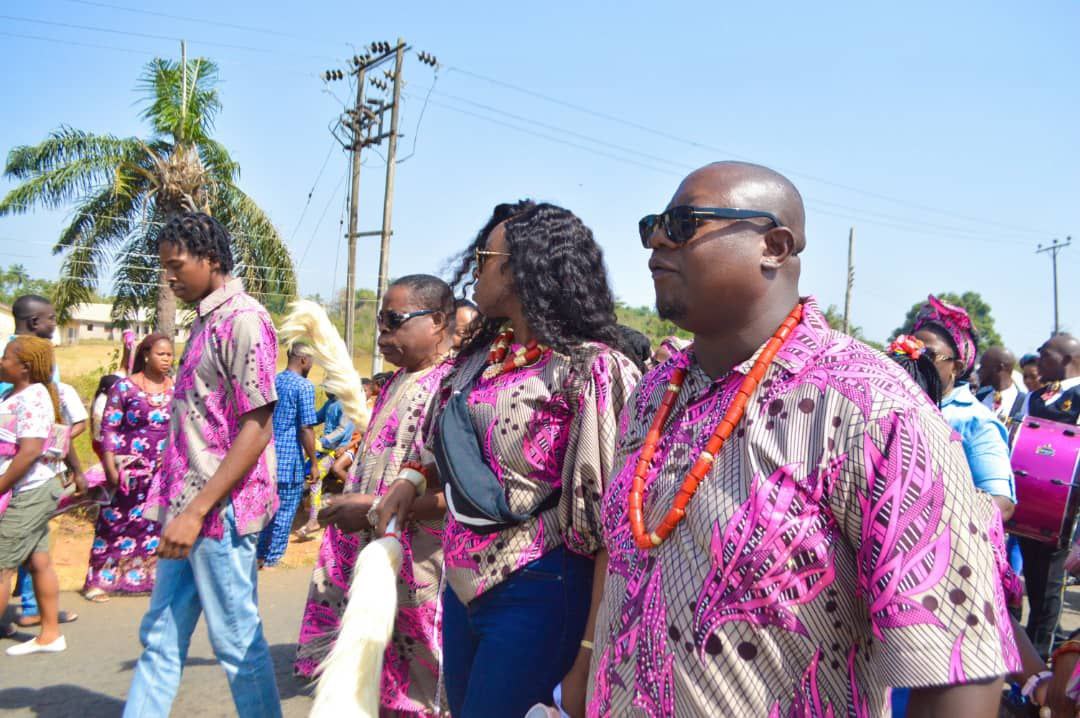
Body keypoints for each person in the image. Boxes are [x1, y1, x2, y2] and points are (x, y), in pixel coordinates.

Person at [573, 162, 1017, 717]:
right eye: (653, 225)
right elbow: (622, 557)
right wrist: (588, 660)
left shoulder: (875, 409)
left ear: (775, 247)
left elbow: (958, 660)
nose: (658, 240)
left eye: (684, 223)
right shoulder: (655, 392)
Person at [375, 201, 640, 718]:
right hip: (461, 588)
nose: (474, 266)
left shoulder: (590, 371)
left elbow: (611, 531)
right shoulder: (480, 360)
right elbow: (443, 439)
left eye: (485, 254)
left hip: (539, 591)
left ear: (523, 267)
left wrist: (588, 656)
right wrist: (411, 478)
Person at [124, 212, 281, 718]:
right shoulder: (206, 321)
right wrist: (181, 509)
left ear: (212, 259)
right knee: (161, 637)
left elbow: (257, 426)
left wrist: (198, 511)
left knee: (237, 642)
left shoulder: (244, 320)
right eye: (163, 267)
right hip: (187, 507)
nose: (168, 277)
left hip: (219, 513)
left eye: (176, 265)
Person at [295, 275, 457, 716]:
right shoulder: (393, 384)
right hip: (367, 566)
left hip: (416, 573)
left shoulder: (455, 389)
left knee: (417, 697)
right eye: (381, 322)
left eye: (394, 321)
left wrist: (370, 512)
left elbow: (458, 498)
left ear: (439, 322)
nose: (382, 334)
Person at [0, 295, 78, 632]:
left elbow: (50, 427)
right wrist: (65, 461)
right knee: (31, 554)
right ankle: (40, 619)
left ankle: (34, 613)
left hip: (26, 475)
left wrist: (66, 460)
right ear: (34, 322)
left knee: (18, 555)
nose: (54, 323)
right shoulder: (26, 358)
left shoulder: (24, 362)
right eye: (51, 318)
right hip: (24, 473)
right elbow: (53, 425)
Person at [82, 333, 174, 602]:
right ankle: (99, 581)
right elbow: (108, 428)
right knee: (114, 525)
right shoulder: (124, 388)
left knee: (154, 526)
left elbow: (182, 426)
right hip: (127, 471)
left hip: (161, 472)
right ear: (146, 355)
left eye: (170, 354)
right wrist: (109, 466)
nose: (167, 359)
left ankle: (148, 579)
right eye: (161, 354)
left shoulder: (175, 389)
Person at [910, 297, 1016, 521]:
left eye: (929, 355)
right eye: (909, 349)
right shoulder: (894, 403)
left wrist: (930, 526)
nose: (915, 359)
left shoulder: (976, 422)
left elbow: (1000, 503)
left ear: (956, 368)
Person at [1016, 333, 1080, 660]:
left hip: (1064, 512)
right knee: (1036, 586)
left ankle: (1040, 661)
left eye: (1046, 353)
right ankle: (1028, 656)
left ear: (1067, 360)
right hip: (1029, 506)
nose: (1039, 359)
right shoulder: (1035, 397)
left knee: (1050, 592)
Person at [256, 342, 318, 568]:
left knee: (267, 512)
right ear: (304, 360)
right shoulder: (303, 387)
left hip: (266, 456)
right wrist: (313, 463)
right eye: (311, 361)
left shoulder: (273, 381)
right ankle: (273, 560)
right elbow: (306, 428)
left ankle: (259, 556)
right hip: (289, 461)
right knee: (285, 512)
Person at [976, 346, 1026, 425]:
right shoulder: (979, 397)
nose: (979, 371)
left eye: (983, 367)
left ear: (998, 368)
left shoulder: (1023, 402)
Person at [90, 373, 123, 461]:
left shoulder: (103, 398)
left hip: (101, 441)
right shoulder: (102, 401)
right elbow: (101, 422)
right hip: (103, 442)